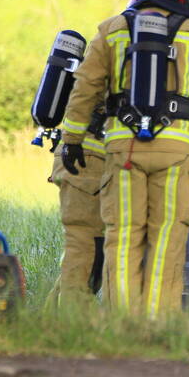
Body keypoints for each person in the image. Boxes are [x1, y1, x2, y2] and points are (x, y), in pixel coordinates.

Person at [58, 0, 189, 318]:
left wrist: (73, 138)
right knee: (167, 237)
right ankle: (156, 322)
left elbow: (85, 87)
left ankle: (123, 321)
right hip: (176, 151)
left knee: (123, 237)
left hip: (124, 150)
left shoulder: (111, 29)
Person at [49, 106, 106, 306]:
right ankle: (70, 325)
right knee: (88, 251)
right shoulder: (96, 73)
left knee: (87, 251)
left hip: (81, 152)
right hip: (87, 157)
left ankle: (51, 322)